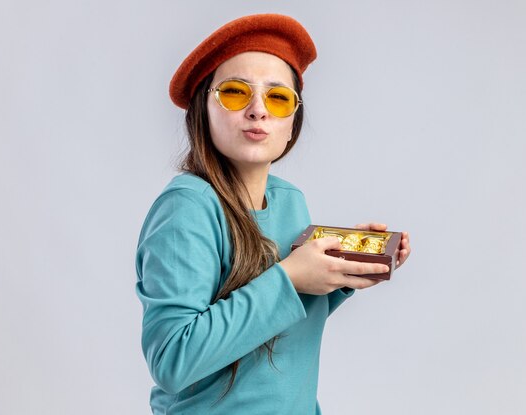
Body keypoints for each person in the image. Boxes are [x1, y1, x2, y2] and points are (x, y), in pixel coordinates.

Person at [135, 13, 411, 414]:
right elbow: (173, 360)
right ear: (203, 108)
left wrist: (339, 271)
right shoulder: (187, 208)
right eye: (234, 93)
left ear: (292, 122)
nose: (258, 111)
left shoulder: (290, 201)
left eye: (278, 98)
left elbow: (276, 326)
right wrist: (291, 276)